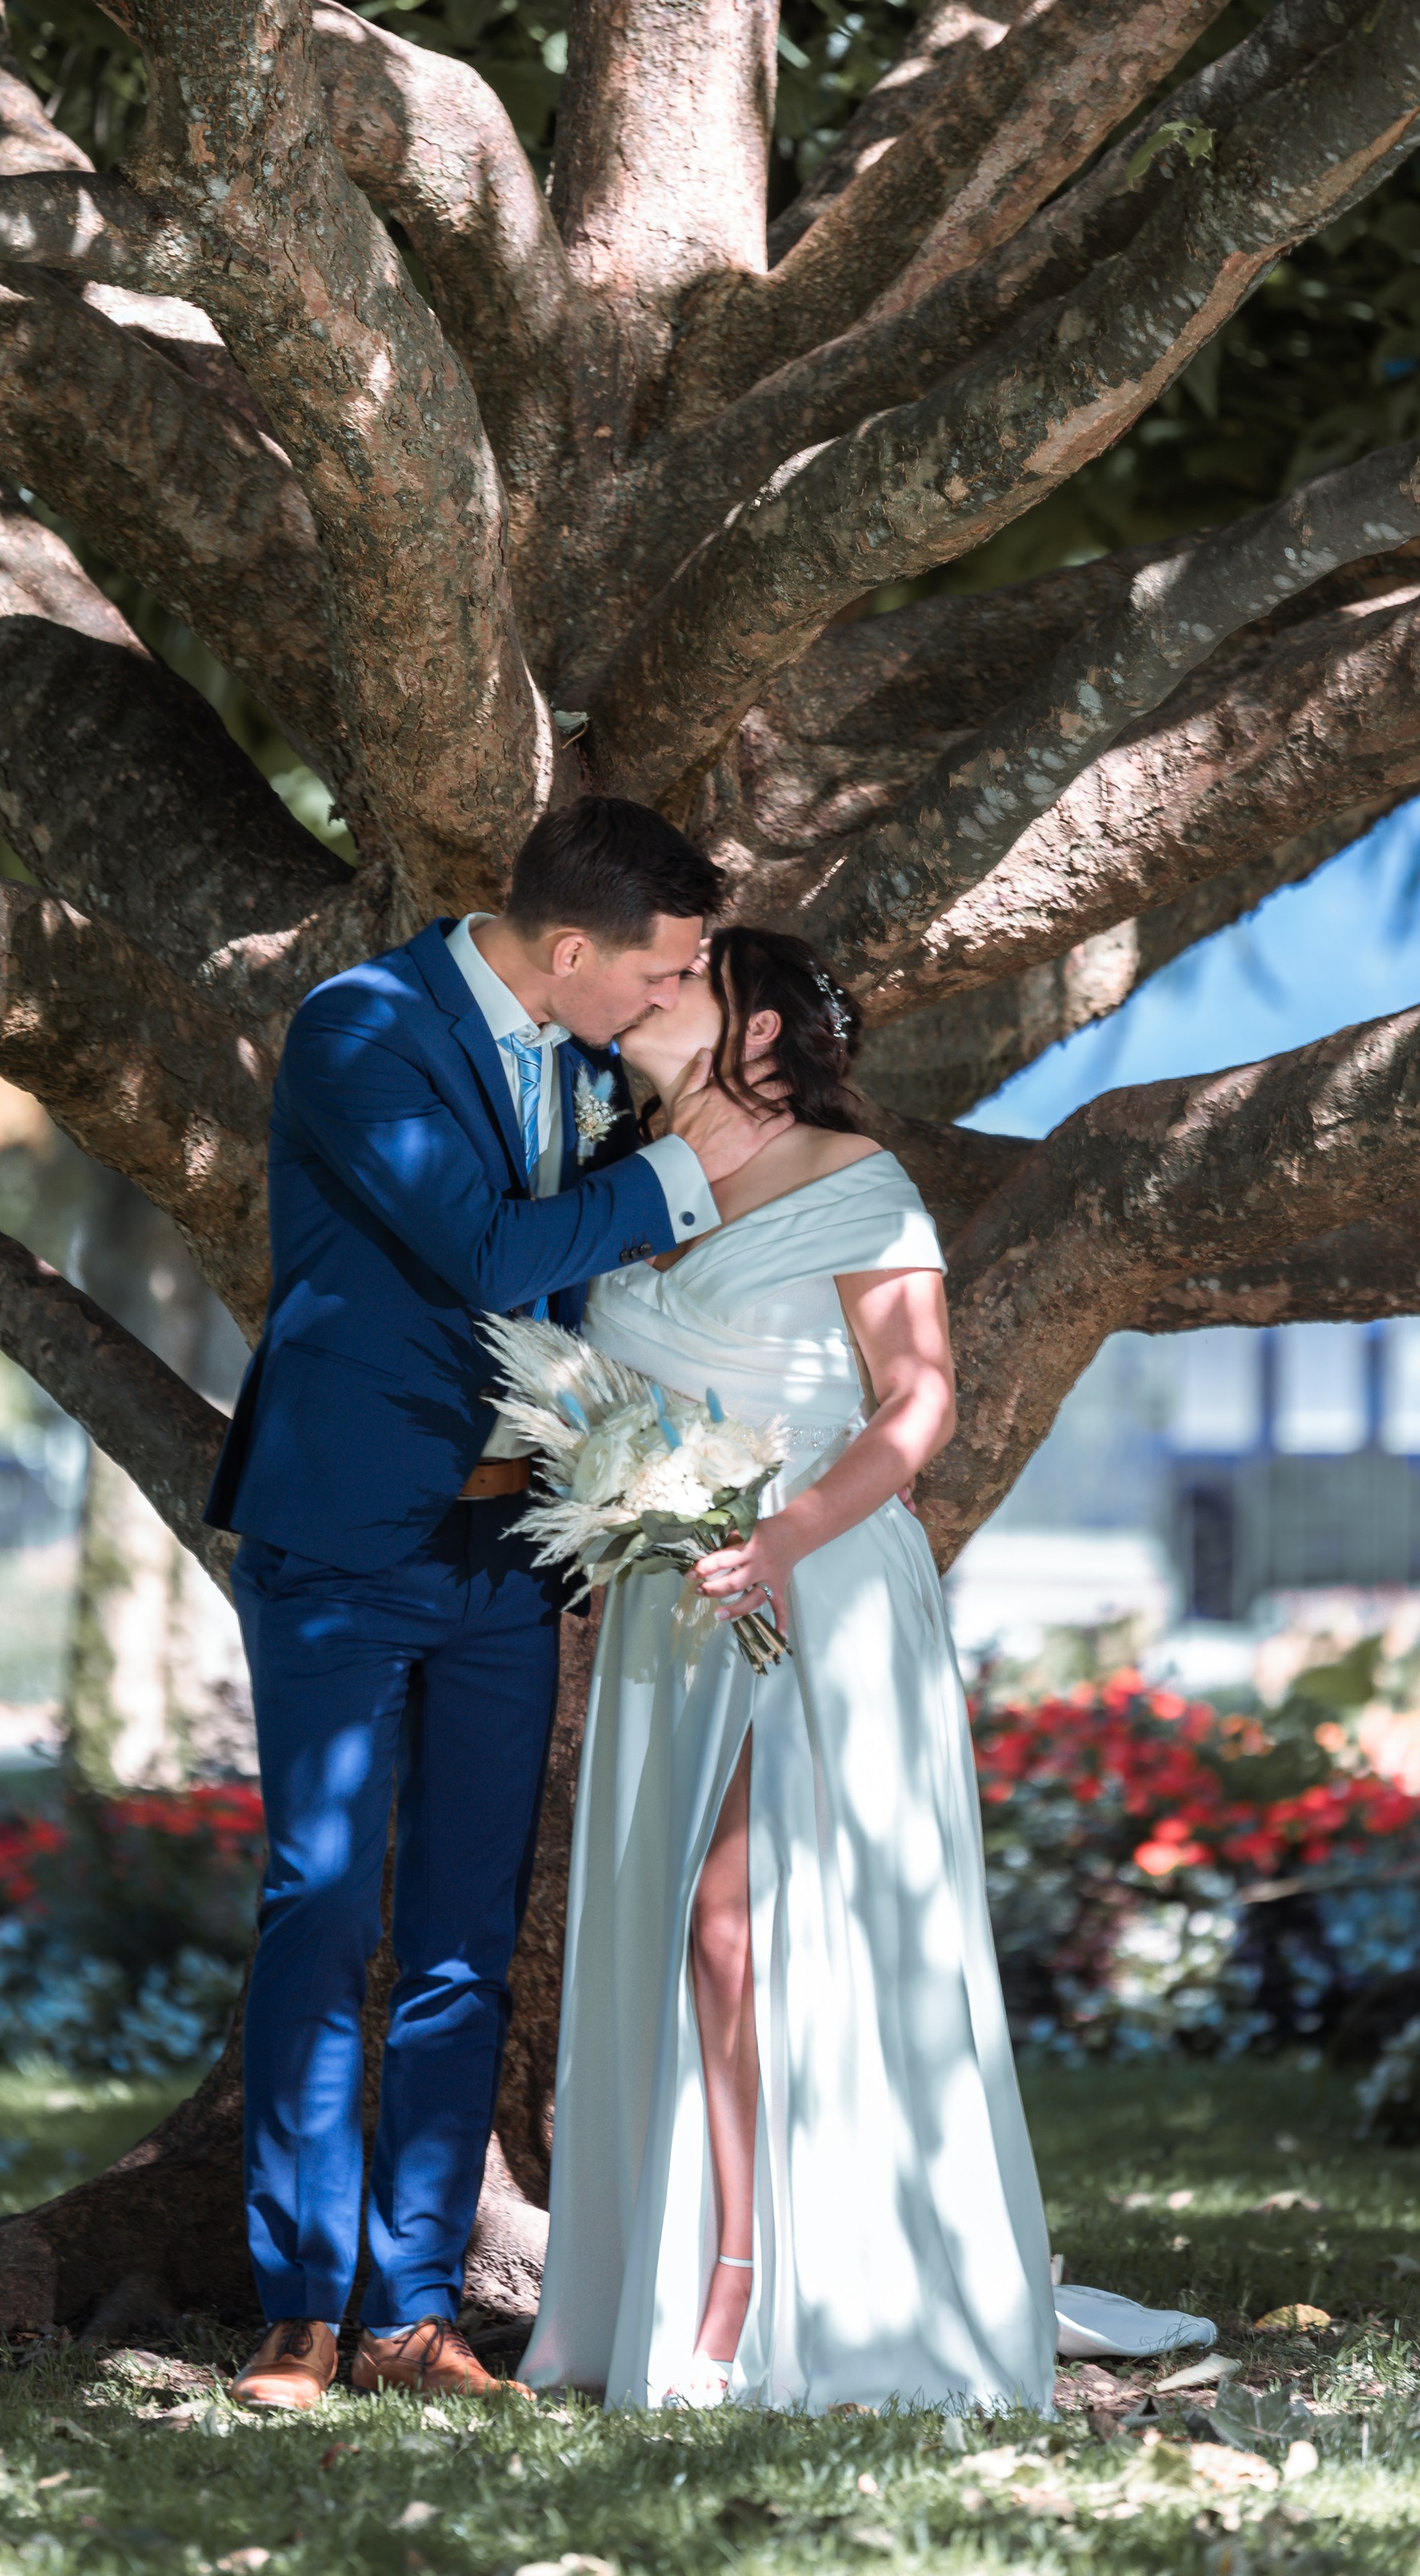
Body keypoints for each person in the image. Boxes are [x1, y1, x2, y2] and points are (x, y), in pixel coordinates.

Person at [520, 926, 1214, 2411]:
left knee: (739, 1926)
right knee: (692, 1930)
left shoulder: (856, 1181)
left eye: (686, 982)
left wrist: (782, 1536)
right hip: (668, 1600)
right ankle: (698, 2261)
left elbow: (918, 1405)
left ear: (762, 1029)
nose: (649, 993)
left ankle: (743, 2282)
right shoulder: (622, 1192)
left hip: (817, 1582)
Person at [206, 802, 787, 2409]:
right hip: (344, 1536)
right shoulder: (360, 1027)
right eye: (659, 971)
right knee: (324, 1908)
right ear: (572, 946)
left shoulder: (588, 1058)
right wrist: (685, 1169)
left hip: (508, 1551)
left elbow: (586, 1275)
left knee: (463, 1939)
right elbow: (475, 1249)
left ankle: (413, 2312)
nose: (669, 998)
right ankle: (298, 2309)